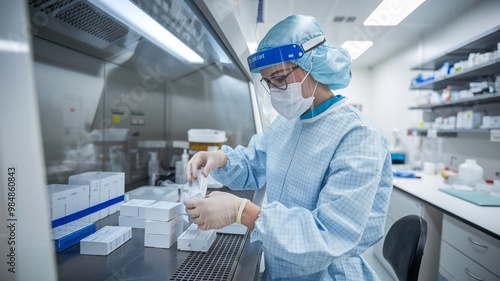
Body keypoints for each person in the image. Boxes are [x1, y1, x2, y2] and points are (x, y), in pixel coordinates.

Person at [184, 14, 393, 280]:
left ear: (312, 65)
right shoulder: (287, 124)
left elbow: (328, 236)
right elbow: (254, 163)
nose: (274, 90)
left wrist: (243, 212)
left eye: (280, 78)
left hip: (329, 274)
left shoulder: (359, 135)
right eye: (267, 81)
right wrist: (219, 159)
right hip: (281, 267)